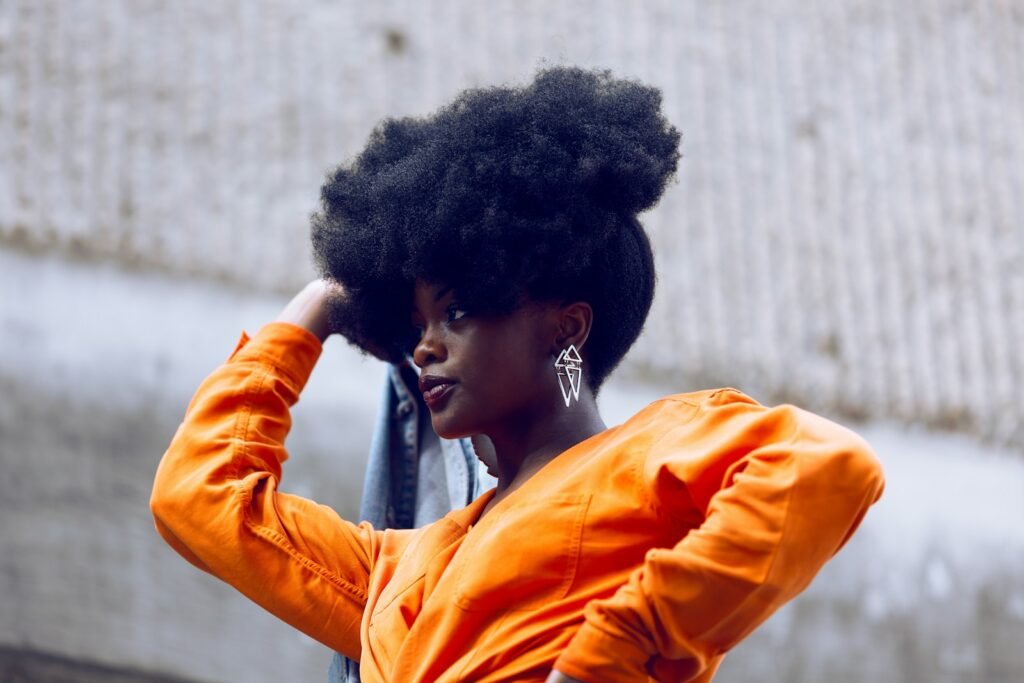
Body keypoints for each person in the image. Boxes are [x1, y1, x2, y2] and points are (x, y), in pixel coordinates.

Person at [150, 66, 885, 682]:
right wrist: (319, 308)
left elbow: (828, 466)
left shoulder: (639, 459)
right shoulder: (395, 568)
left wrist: (619, 646)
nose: (425, 347)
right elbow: (199, 498)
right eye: (419, 322)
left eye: (459, 312)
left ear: (565, 330)